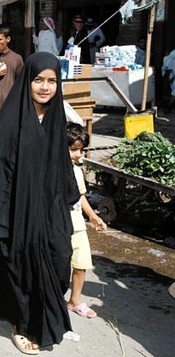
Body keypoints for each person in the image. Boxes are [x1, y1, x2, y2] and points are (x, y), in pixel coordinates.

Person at [0, 52, 80, 354]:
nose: (45, 87)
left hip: (50, 211)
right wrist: (1, 220)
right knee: (21, 268)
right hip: (17, 213)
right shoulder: (10, 122)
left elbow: (63, 165)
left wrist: (68, 201)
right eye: (38, 79)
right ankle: (21, 324)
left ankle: (43, 318)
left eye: (52, 81)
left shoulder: (56, 119)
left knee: (59, 257)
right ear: (27, 81)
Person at [66, 122, 107, 319]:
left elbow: (81, 196)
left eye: (80, 151)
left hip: (78, 226)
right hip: (59, 226)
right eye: (73, 150)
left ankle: (75, 300)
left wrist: (92, 216)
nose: (77, 155)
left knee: (81, 264)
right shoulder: (51, 171)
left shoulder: (76, 170)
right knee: (57, 267)